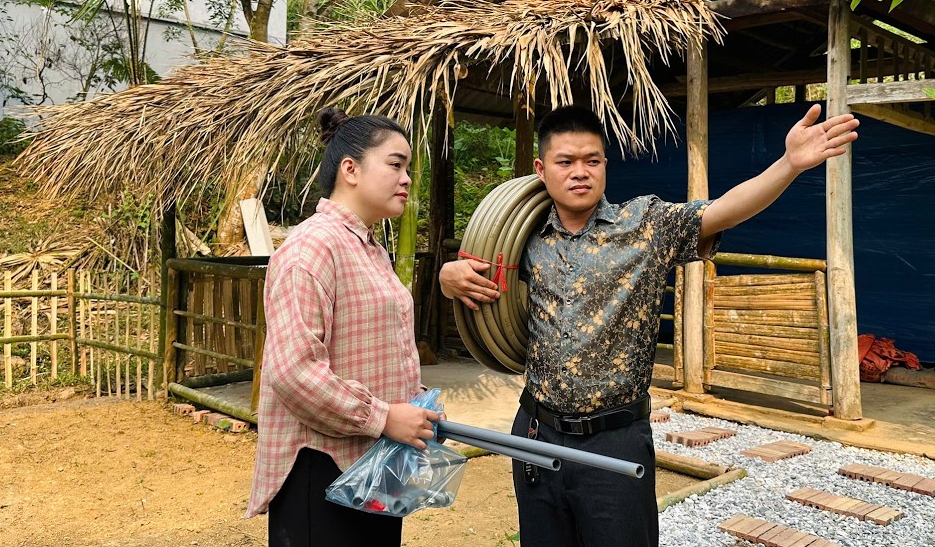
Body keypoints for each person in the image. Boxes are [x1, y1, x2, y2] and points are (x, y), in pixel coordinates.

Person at [440, 103, 858, 547]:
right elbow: (480, 279)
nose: (580, 172)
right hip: (536, 431)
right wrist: (450, 277)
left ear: (605, 165)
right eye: (566, 162)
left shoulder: (646, 224)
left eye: (592, 160)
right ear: (542, 169)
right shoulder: (523, 238)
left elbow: (724, 210)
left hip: (614, 438)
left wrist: (789, 163)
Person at [246, 107, 442, 547]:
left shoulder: (369, 248)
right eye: (395, 164)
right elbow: (293, 372)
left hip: (374, 467)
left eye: (407, 167)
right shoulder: (311, 247)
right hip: (321, 471)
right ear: (350, 169)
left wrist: (414, 405)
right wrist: (384, 416)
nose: (407, 178)